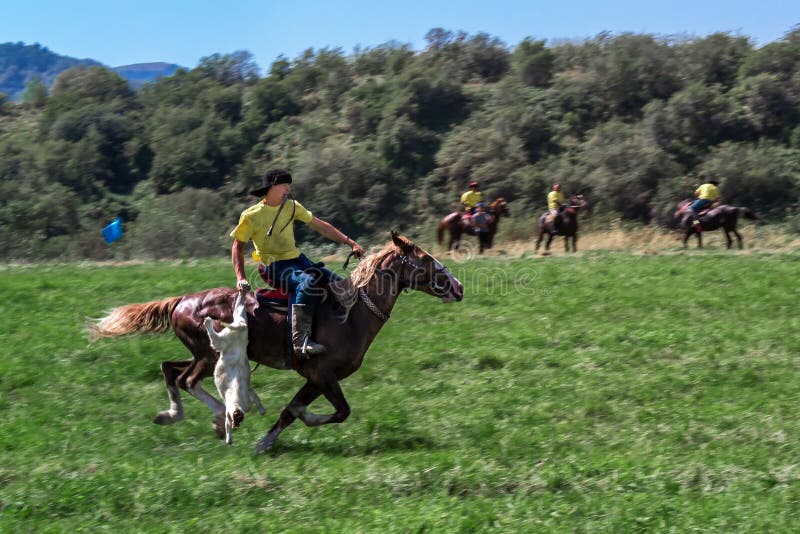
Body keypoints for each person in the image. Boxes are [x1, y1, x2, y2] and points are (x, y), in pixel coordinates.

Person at [230, 169, 365, 357]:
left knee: (343, 285)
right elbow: (237, 247)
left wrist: (350, 243)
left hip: (298, 259)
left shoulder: (292, 207)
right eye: (284, 184)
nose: (288, 188)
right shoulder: (251, 216)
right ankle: (300, 340)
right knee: (307, 283)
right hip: (274, 266)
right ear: (272, 187)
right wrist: (240, 277)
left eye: (289, 185)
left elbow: (321, 226)